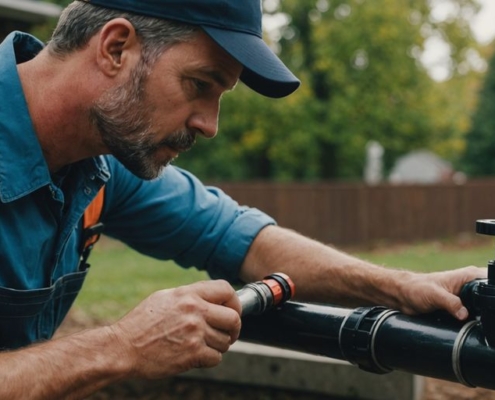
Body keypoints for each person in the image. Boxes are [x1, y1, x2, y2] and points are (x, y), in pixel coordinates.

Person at [0, 0, 485, 398]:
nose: (209, 125)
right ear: (116, 47)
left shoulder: (100, 164)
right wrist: (123, 345)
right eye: (200, 85)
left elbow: (243, 239)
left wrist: (405, 286)